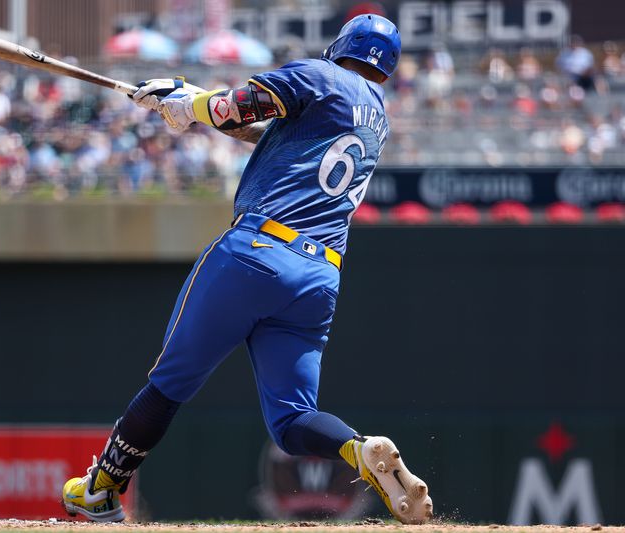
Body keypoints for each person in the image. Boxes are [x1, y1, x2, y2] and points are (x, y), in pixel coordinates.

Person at [61, 15, 433, 525]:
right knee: (293, 419)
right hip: (319, 276)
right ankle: (358, 450)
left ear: (341, 44)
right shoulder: (375, 113)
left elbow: (235, 107)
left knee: (169, 383)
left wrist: (191, 105)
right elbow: (275, 135)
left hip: (257, 251)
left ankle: (100, 488)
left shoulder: (318, 76)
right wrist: (191, 104)